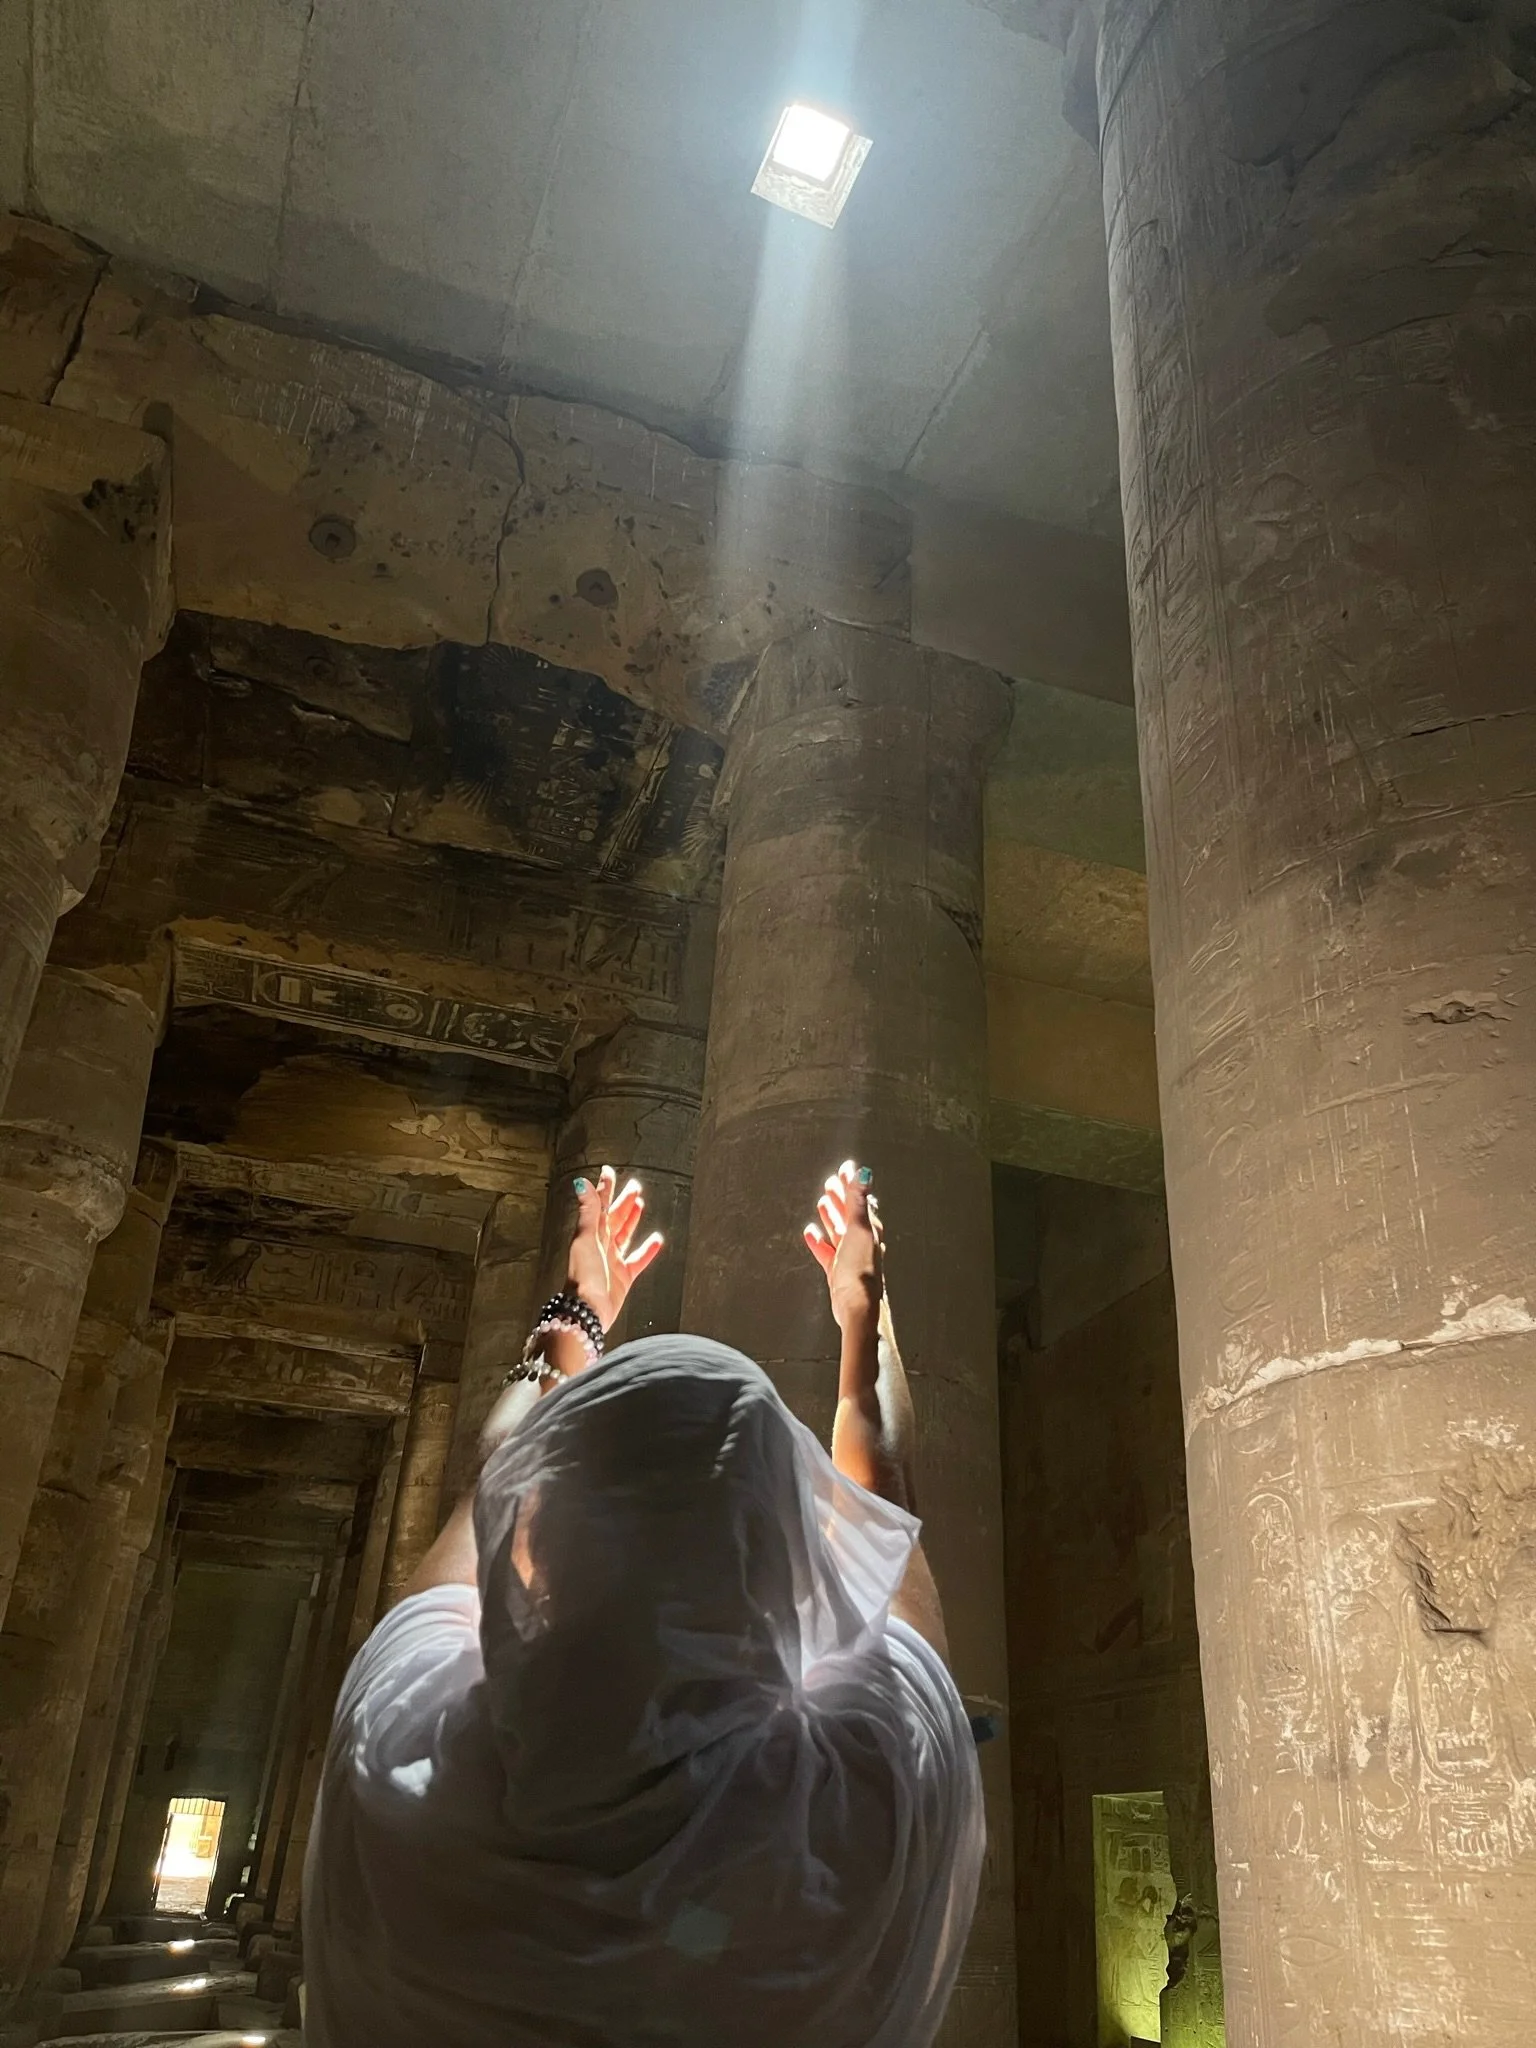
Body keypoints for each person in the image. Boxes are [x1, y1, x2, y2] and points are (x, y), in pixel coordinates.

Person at [302, 1159, 983, 2048]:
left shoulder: (394, 1754)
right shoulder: (853, 1814)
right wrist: (867, 1320)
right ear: (780, 1552)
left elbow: (488, 1483)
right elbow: (889, 1514)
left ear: (533, 1543)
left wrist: (575, 1314)